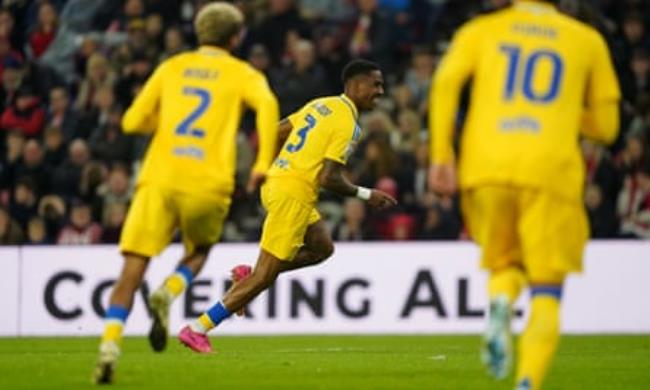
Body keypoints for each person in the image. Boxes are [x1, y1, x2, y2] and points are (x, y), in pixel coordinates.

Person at [428, 1, 620, 389]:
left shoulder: (481, 30)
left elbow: (445, 82)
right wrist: (563, 111)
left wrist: (441, 155)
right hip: (550, 170)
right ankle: (528, 381)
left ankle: (500, 304)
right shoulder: (587, 40)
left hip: (487, 166)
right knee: (547, 291)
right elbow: (607, 128)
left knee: (505, 265)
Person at [93, 2, 279, 384]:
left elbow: (131, 121)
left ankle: (109, 347)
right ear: (236, 37)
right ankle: (169, 291)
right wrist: (261, 164)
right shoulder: (243, 73)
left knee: (131, 269)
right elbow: (267, 106)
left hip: (159, 178)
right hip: (207, 183)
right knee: (198, 251)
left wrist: (162, 121)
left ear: (198, 33)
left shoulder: (171, 67)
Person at [178, 59, 397, 353]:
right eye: (376, 84)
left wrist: (277, 167)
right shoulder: (348, 124)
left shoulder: (322, 104)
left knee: (322, 247)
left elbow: (276, 132)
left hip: (278, 183)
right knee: (263, 276)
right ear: (356, 85)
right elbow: (328, 177)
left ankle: (249, 275)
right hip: (294, 194)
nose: (380, 91)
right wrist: (366, 195)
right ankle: (199, 327)